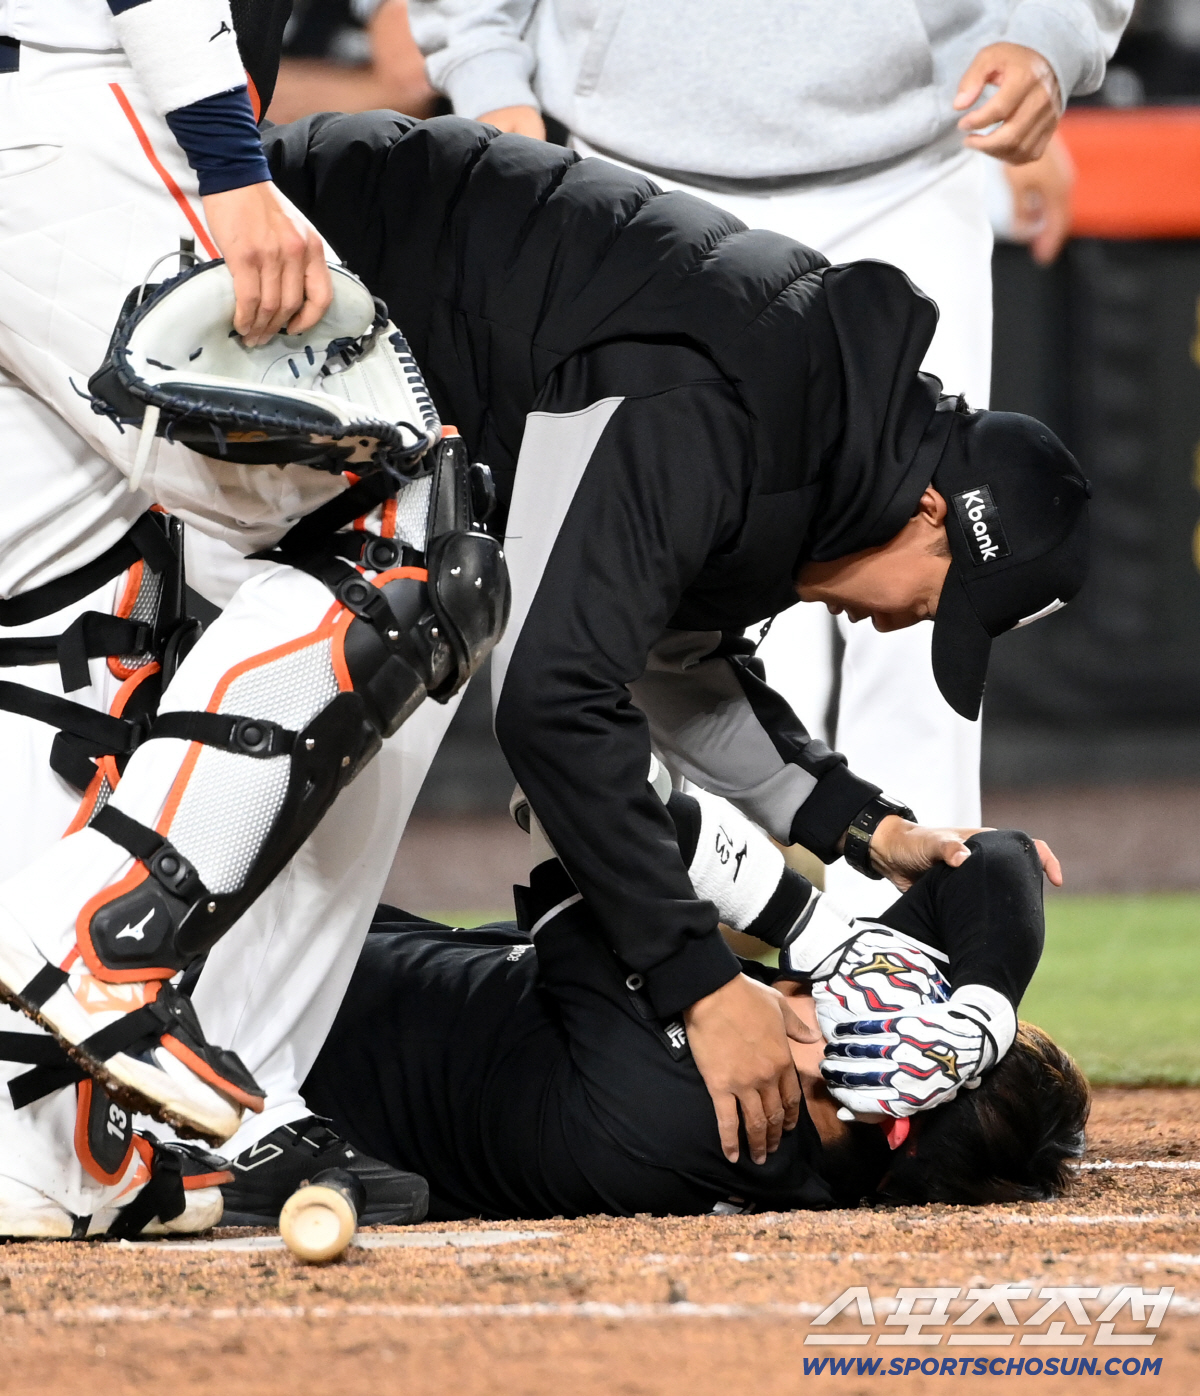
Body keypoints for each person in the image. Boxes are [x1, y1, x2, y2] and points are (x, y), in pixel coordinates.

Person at [266, 108, 1086, 1186]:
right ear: (933, 511)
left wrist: (874, 840)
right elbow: (553, 704)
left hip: (333, 355)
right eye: (940, 598)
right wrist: (701, 979)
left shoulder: (813, 438)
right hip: (277, 261)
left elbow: (678, 665)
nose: (909, 621)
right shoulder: (734, 408)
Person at [406, 0, 1131, 911]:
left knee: (908, 638)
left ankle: (895, 992)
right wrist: (484, 62)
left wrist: (1053, 31)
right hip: (631, 149)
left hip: (911, 147)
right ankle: (731, 979)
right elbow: (560, 689)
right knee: (659, 606)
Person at [0, 3, 481, 1236]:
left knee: (61, 606)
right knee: (406, 525)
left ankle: (33, 1137)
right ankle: (108, 948)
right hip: (65, 114)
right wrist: (232, 165)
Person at [303, 787, 1089, 1219]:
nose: (888, 987)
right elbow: (993, 859)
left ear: (884, 1093)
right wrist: (983, 1009)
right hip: (349, 962)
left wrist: (791, 925)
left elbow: (581, 800)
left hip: (264, 1029)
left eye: (920, 1008)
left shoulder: (676, 1114)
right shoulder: (813, 1116)